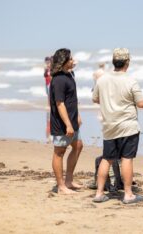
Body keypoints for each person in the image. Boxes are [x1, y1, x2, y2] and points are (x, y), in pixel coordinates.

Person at [92, 48, 143, 204]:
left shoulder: (102, 80)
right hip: (128, 126)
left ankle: (99, 193)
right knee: (127, 159)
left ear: (113, 62)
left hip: (109, 126)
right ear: (127, 63)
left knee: (107, 159)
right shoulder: (130, 80)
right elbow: (141, 103)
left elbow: (95, 99)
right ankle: (128, 194)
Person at [49, 48, 83, 194]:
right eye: (70, 59)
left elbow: (73, 99)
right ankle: (61, 186)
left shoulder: (70, 74)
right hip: (62, 124)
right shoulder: (58, 80)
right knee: (59, 152)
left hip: (72, 120)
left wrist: (78, 116)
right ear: (64, 61)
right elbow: (60, 103)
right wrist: (68, 124)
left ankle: (69, 181)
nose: (73, 61)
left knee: (78, 146)